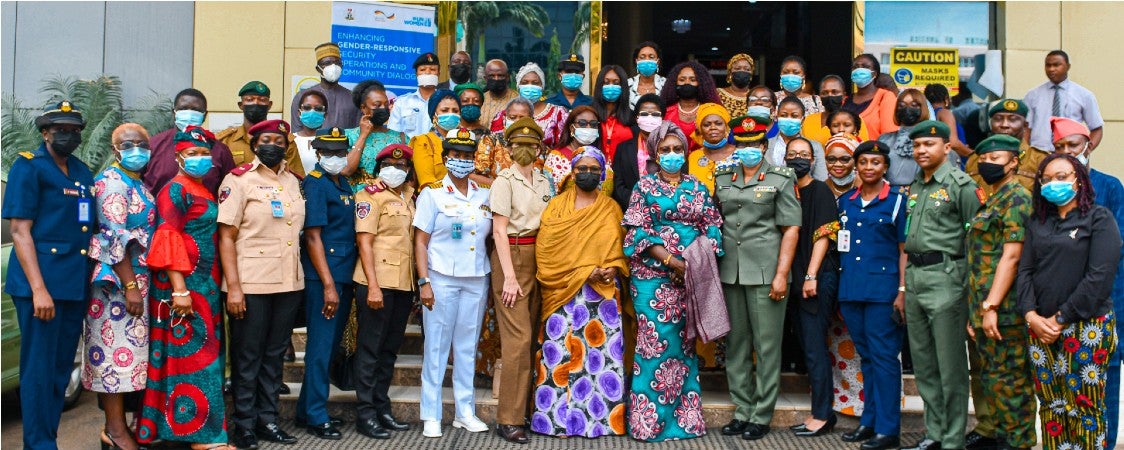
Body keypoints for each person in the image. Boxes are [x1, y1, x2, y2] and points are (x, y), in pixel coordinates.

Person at [3, 101, 96, 450]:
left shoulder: (82, 172)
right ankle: (39, 444)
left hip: (73, 285)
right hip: (41, 287)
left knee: (59, 372)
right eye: (60, 130)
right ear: (45, 133)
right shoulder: (29, 168)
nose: (67, 136)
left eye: (74, 131)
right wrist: (39, 290)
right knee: (39, 370)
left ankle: (47, 439)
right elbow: (20, 231)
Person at [622, 122, 723, 442]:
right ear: (654, 154)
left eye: (677, 149)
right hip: (652, 279)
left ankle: (686, 422)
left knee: (684, 347)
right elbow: (637, 232)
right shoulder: (644, 188)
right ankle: (647, 424)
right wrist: (672, 261)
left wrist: (694, 261)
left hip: (691, 278)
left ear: (686, 152)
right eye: (664, 150)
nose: (672, 155)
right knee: (653, 346)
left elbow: (714, 228)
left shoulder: (697, 187)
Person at [1019, 153, 1121, 450]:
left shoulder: (1099, 218)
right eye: (1047, 179)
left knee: (1084, 405)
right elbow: (1024, 271)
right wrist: (1031, 316)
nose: (1054, 183)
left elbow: (1099, 277)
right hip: (1041, 332)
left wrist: (1061, 318)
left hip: (1087, 328)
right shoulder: (1037, 223)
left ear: (1079, 179)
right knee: (1052, 407)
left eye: (1062, 177)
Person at [138, 126, 229, 450]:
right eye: (193, 154)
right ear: (178, 157)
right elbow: (167, 237)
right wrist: (179, 290)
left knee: (207, 356)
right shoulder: (174, 190)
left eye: (205, 154)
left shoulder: (202, 188)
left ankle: (198, 430)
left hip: (205, 285)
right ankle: (199, 436)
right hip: (184, 285)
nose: (201, 159)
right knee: (191, 358)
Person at [217, 120, 306, 448]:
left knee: (273, 357)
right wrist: (234, 287)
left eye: (279, 140)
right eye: (266, 139)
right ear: (254, 144)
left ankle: (268, 420)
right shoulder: (238, 180)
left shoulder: (293, 181)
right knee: (248, 356)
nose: (273, 145)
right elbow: (226, 236)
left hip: (287, 284)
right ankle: (244, 424)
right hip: (251, 285)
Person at [714, 111, 801, 442]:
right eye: (743, 143)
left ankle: (761, 414)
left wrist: (782, 274)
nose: (749, 148)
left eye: (755, 143)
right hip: (731, 272)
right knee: (736, 345)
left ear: (764, 146)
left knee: (766, 347)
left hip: (766, 273)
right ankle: (742, 409)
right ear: (736, 145)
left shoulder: (781, 177)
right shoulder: (723, 177)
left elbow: (790, 228)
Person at [533, 146, 629, 439]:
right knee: (559, 354)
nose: (587, 174)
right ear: (572, 172)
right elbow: (547, 252)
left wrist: (612, 267)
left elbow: (619, 247)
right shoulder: (557, 206)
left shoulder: (610, 207)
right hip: (562, 292)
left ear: (602, 173)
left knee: (599, 359)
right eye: (581, 169)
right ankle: (554, 422)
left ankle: (600, 422)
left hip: (601, 296)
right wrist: (584, 269)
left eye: (594, 169)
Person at [900, 120, 981, 450]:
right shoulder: (917, 184)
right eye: (917, 145)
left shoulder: (961, 185)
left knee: (950, 367)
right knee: (924, 364)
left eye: (929, 144)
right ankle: (934, 432)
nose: (921, 150)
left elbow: (974, 241)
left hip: (947, 278)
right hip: (917, 277)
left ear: (947, 148)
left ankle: (952, 439)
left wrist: (966, 289)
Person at [413, 128, 493, 438]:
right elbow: (420, 242)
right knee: (436, 347)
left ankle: (465, 411)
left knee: (467, 347)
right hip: (442, 279)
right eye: (456, 155)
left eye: (467, 156)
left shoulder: (483, 194)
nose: (461, 161)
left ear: (474, 159)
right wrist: (424, 282)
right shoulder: (432, 193)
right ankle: (430, 414)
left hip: (475, 279)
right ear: (446, 158)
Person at [82, 123, 157, 450]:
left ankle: (122, 426)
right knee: (113, 358)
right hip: (117, 286)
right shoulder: (112, 183)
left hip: (140, 280)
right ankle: (114, 430)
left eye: (141, 144)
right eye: (128, 144)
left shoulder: (136, 182)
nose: (136, 149)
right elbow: (115, 237)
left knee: (132, 359)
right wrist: (130, 286)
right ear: (116, 150)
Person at [1051, 116, 1124, 449]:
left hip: (1105, 295)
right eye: (1060, 147)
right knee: (1062, 380)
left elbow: (1116, 245)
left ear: (1088, 145)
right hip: (1056, 301)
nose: (1067, 152)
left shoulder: (1109, 187)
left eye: (1073, 146)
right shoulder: (1050, 189)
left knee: (1103, 373)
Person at [962, 134, 1037, 450]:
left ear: (1014, 162)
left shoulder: (1017, 198)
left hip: (1005, 310)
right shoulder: (991, 198)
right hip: (984, 308)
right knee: (994, 379)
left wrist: (990, 306)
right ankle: (1003, 436)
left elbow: (1012, 255)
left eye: (997, 158)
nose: (989, 164)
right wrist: (976, 310)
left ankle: (1018, 441)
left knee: (1012, 382)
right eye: (985, 159)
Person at [835, 140, 908, 450]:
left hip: (882, 292)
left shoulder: (896, 202)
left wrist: (902, 291)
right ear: (856, 166)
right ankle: (870, 422)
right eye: (863, 162)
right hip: (852, 288)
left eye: (875, 163)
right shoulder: (846, 201)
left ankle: (889, 429)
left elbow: (904, 250)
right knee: (866, 357)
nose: (868, 168)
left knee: (885, 359)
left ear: (885, 167)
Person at [487, 118, 553, 443]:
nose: (524, 150)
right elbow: (499, 229)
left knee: (531, 339)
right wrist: (509, 277)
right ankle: (509, 418)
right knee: (517, 340)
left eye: (530, 144)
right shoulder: (503, 181)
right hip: (511, 257)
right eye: (517, 145)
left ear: (538, 148)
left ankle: (525, 409)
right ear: (509, 148)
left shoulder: (545, 182)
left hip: (538, 258)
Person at [293, 128, 356, 440]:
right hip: (324, 278)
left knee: (328, 347)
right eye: (328, 153)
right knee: (319, 348)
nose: (335, 157)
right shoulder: (316, 183)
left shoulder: (342, 182)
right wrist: (328, 284)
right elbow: (313, 236)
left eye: (339, 152)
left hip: (343, 274)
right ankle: (317, 415)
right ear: (318, 154)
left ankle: (307, 409)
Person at [353, 143, 417, 439]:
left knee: (389, 350)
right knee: (370, 349)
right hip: (375, 283)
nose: (398, 170)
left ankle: (382, 406)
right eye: (392, 166)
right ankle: (365, 413)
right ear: (380, 168)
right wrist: (374, 287)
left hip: (403, 283)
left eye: (403, 166)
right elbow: (365, 242)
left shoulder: (408, 195)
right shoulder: (369, 195)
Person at [783, 137, 839, 438]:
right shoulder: (785, 191)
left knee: (816, 347)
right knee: (806, 346)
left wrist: (811, 275)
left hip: (815, 277)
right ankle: (817, 410)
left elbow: (823, 236)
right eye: (792, 154)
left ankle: (823, 414)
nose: (797, 159)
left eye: (803, 155)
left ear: (813, 161)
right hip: (793, 278)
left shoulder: (820, 191)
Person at [142, 88, 235, 195]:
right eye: (183, 108)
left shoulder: (220, 150)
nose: (189, 114)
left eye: (196, 110)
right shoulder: (153, 145)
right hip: (158, 210)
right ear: (174, 113)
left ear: (204, 115)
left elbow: (229, 190)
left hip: (207, 210)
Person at [217, 81, 305, 176]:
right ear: (241, 105)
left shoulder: (284, 141)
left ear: (270, 105)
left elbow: (295, 178)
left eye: (262, 100)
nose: (256, 103)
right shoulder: (226, 140)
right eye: (250, 100)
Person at [964, 99, 1049, 195]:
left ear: (1025, 126)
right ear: (990, 124)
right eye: (998, 119)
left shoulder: (1039, 160)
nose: (1004, 125)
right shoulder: (975, 159)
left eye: (1012, 119)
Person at [1024, 50, 1104, 152]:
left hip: (1069, 153)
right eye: (1048, 65)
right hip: (1038, 154)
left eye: (1056, 65)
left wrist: (1085, 152)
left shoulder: (1084, 95)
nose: (1051, 69)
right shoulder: (1033, 95)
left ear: (1068, 66)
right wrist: (1025, 153)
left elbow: (1096, 128)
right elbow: (1026, 128)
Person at [341, 80, 407, 191]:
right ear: (363, 108)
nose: (383, 108)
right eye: (377, 105)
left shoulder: (401, 138)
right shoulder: (348, 136)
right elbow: (346, 170)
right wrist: (363, 135)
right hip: (359, 201)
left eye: (386, 104)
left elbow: (409, 177)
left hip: (391, 202)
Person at [491, 62, 568, 148]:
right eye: (525, 82)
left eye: (535, 83)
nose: (530, 86)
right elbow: (495, 146)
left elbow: (564, 146)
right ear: (518, 86)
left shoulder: (558, 114)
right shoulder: (503, 116)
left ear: (542, 86)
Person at [290, 42, 360, 133]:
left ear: (341, 66)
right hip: (310, 146)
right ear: (318, 69)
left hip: (345, 146)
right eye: (327, 63)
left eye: (337, 63)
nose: (333, 67)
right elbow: (297, 132)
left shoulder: (353, 98)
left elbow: (358, 132)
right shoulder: (302, 97)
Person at [611, 93, 665, 210]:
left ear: (662, 118)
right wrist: (638, 202)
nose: (650, 117)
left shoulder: (672, 147)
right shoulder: (623, 148)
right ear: (637, 118)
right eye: (644, 114)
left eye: (655, 114)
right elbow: (618, 186)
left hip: (666, 210)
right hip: (632, 210)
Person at [546, 106, 614, 196]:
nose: (588, 127)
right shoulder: (556, 157)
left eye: (593, 124)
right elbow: (549, 193)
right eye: (582, 123)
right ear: (572, 128)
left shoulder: (602, 157)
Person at [878, 89, 932, 191]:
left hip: (921, 194)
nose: (907, 108)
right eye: (901, 105)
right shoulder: (884, 139)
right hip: (890, 196)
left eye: (914, 105)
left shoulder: (930, 141)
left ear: (922, 108)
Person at [474, 97, 538, 182]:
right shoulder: (490, 141)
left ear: (532, 120)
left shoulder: (538, 146)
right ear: (504, 119)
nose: (517, 122)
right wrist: (504, 187)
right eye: (512, 117)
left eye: (522, 118)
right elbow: (477, 174)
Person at [661, 61, 721, 151]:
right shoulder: (665, 113)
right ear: (674, 83)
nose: (687, 83)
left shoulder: (712, 111)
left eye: (693, 80)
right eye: (682, 80)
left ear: (701, 84)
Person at [768, 96, 828, 180]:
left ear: (802, 120)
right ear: (777, 117)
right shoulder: (766, 145)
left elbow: (821, 179)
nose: (788, 119)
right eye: (783, 115)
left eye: (794, 116)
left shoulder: (815, 147)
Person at [411, 89, 462, 187]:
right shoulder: (423, 141)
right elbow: (427, 182)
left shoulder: (467, 141)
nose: (451, 114)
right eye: (444, 110)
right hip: (435, 197)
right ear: (434, 115)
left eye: (455, 111)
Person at [802, 75, 872, 145]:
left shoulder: (855, 119)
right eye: (824, 93)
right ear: (819, 96)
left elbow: (862, 148)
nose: (830, 95)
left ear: (844, 95)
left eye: (835, 92)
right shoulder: (809, 120)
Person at [843, 54, 898, 138]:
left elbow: (889, 136)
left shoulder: (885, 97)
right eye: (855, 67)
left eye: (865, 67)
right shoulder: (845, 101)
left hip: (874, 150)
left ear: (874, 74)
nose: (859, 69)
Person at [390, 52, 441, 139]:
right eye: (422, 70)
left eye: (432, 69)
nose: (428, 73)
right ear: (416, 75)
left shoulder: (446, 102)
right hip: (409, 151)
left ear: (439, 74)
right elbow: (393, 135)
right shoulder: (402, 102)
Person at [687, 102, 735, 192]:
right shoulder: (693, 157)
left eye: (718, 123)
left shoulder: (739, 154)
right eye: (707, 125)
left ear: (726, 127)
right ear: (700, 129)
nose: (713, 127)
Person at [592, 65, 634, 160]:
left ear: (623, 87)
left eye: (616, 83)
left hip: (623, 171)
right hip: (594, 169)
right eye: (606, 82)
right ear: (600, 85)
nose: (611, 86)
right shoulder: (590, 114)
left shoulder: (632, 117)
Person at [924, 84, 971, 159]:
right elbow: (953, 143)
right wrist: (972, 154)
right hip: (952, 161)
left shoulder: (925, 116)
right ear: (946, 99)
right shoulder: (944, 113)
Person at [293, 89, 329, 171]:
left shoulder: (331, 141)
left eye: (318, 108)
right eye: (307, 107)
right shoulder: (290, 140)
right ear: (299, 113)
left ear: (325, 115)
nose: (312, 112)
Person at [481, 59, 519, 127]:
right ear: (485, 78)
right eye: (492, 76)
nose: (496, 79)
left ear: (507, 77)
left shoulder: (517, 100)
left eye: (500, 75)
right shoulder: (479, 100)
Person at [628, 41, 666, 109]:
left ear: (658, 61)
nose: (647, 60)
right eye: (642, 57)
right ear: (636, 61)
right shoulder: (627, 85)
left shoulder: (666, 84)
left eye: (651, 57)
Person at [718, 53, 755, 117]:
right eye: (737, 68)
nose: (742, 71)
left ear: (751, 73)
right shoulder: (718, 94)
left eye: (747, 69)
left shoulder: (757, 96)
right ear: (730, 72)